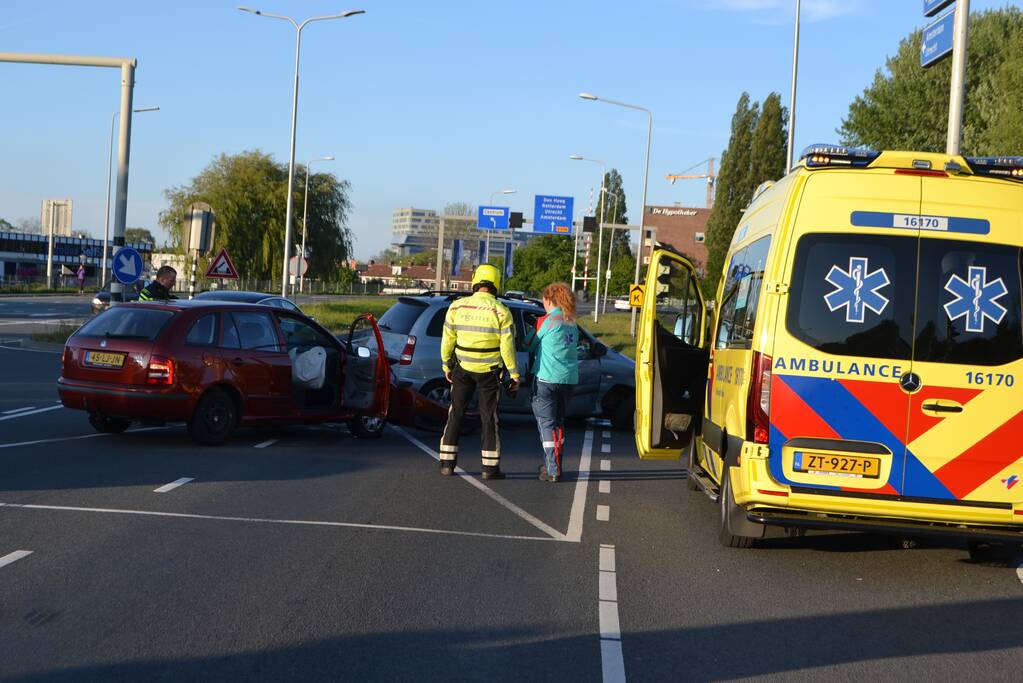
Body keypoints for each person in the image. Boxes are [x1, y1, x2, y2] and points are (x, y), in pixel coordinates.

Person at [438, 264, 519, 480]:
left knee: (456, 412)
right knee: (489, 417)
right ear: (496, 283)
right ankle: (489, 468)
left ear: (475, 281)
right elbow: (507, 347)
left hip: (462, 369)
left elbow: (448, 340)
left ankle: (447, 463)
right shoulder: (502, 311)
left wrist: (446, 365)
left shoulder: (456, 307)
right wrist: (514, 374)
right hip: (490, 372)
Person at [528, 282, 579, 483]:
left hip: (546, 378)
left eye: (544, 300)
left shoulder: (546, 321)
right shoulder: (572, 322)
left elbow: (528, 345)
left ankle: (552, 469)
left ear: (550, 300)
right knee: (558, 424)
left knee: (546, 425)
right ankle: (556, 464)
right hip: (569, 380)